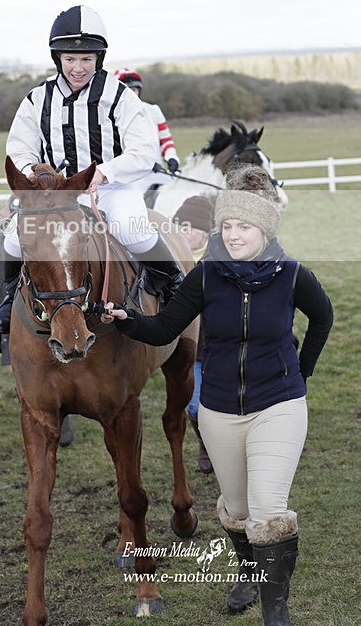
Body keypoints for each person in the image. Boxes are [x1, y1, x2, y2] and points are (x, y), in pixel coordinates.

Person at [100, 165, 333, 625]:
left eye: (243, 226)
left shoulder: (291, 275)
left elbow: (322, 317)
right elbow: (165, 327)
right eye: (227, 225)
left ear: (263, 227)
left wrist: (300, 374)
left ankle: (275, 610)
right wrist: (126, 319)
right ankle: (248, 572)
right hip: (220, 410)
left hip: (279, 404)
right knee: (240, 510)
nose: (234, 234)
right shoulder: (206, 276)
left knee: (268, 510)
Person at [0, 5, 184, 334]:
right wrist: (34, 178)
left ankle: (173, 285)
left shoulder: (120, 96)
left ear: (99, 58)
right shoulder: (38, 98)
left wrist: (105, 172)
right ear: (58, 59)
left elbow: (144, 150)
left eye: (86, 59)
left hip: (109, 189)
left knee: (130, 227)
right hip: (55, 196)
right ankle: (9, 299)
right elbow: (18, 147)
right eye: (70, 59)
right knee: (11, 240)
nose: (78, 68)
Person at [172, 194, 215, 473]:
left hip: (223, 347)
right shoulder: (170, 261)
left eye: (190, 229)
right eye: (180, 227)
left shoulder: (220, 259)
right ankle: (207, 443)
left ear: (206, 232)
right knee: (196, 406)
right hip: (192, 349)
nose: (184, 234)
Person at [114, 68, 181, 196]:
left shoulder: (154, 110)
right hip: (132, 178)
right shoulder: (113, 115)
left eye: (134, 90)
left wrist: (171, 158)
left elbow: (165, 140)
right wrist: (145, 164)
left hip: (159, 171)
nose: (132, 94)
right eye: (128, 91)